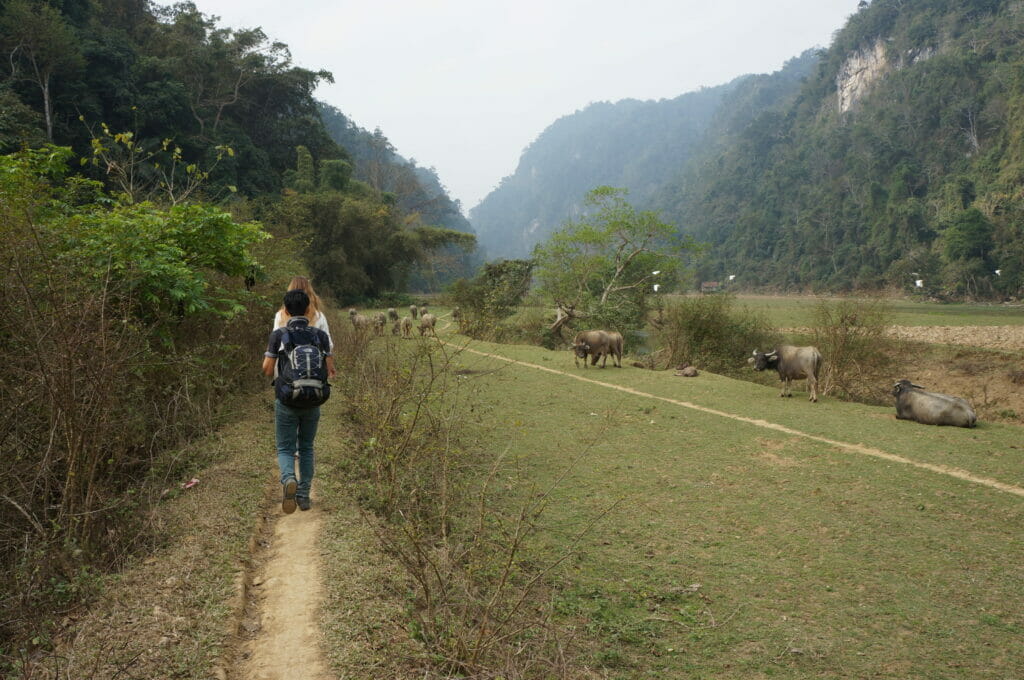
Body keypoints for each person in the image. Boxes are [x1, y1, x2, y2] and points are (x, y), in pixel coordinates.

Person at [262, 289, 336, 513]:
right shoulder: (320, 336)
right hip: (313, 401)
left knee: (285, 448)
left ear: (285, 311)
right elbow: (330, 369)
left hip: (286, 400)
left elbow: (267, 370)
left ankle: (288, 480)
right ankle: (304, 495)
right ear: (308, 310)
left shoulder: (279, 335)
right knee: (306, 447)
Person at [273, 276, 332, 346]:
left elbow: (275, 344)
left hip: (285, 356)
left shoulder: (280, 315)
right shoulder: (318, 316)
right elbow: (329, 344)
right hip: (313, 356)